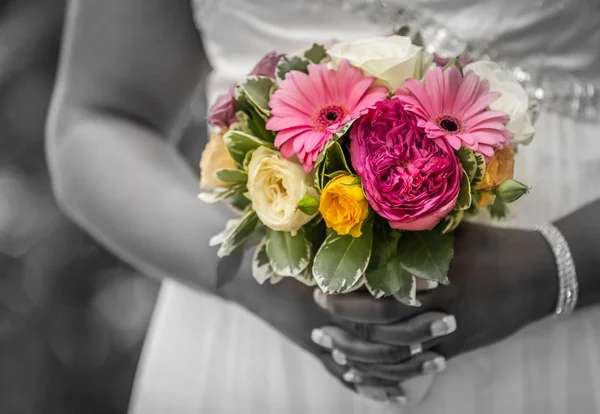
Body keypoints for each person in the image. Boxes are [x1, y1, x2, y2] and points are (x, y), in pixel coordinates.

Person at [45, 0, 600, 413]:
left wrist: (553, 268)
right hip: (252, 349)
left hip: (566, 329)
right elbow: (99, 119)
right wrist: (247, 275)